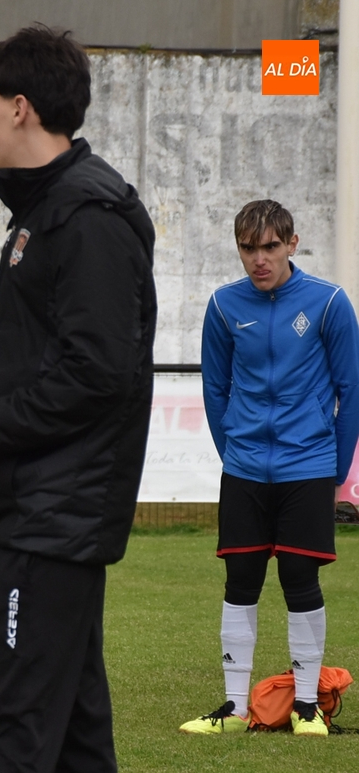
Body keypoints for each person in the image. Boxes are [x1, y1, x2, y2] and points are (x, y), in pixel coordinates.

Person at [0, 26, 156, 771]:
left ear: (19, 108)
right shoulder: (44, 215)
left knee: (11, 734)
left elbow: (95, 373)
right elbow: (32, 366)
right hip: (41, 513)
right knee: (75, 739)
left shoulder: (88, 218)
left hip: (55, 518)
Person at [179, 200, 359, 737]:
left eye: (270, 247)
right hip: (245, 469)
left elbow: (349, 393)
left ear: (292, 244)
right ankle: (235, 710)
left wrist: (336, 472)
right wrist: (233, 449)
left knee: (300, 579)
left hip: (309, 467)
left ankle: (307, 708)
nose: (259, 259)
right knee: (241, 581)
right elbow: (215, 388)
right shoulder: (222, 304)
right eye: (248, 248)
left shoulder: (329, 303)